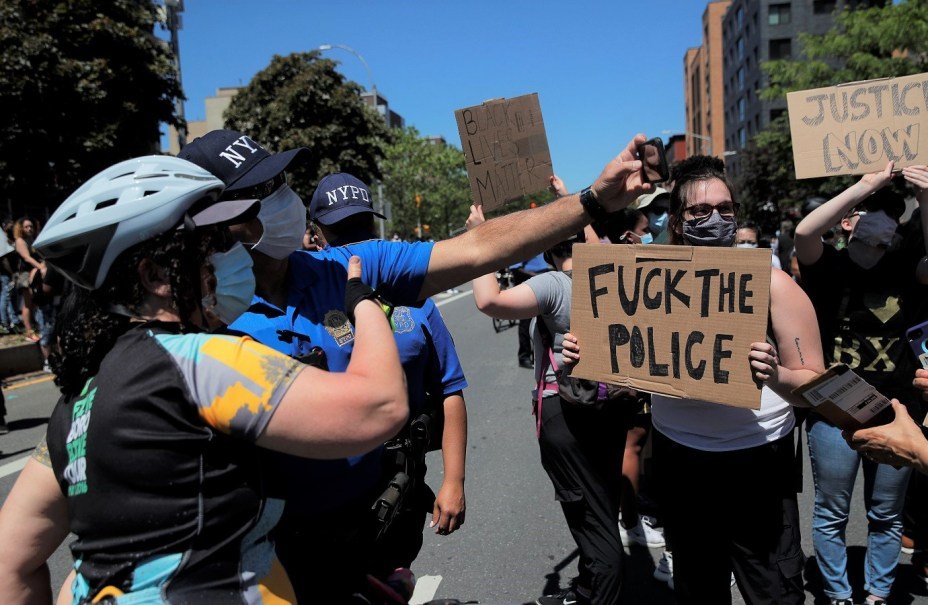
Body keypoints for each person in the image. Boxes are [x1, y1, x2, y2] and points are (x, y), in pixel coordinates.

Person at [177, 128, 653, 601]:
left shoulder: (344, 267)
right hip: (269, 559)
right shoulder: (195, 320)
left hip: (371, 529)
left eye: (279, 182)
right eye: (259, 192)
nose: (282, 199)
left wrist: (591, 201)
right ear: (212, 221)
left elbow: (478, 249)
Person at [0, 156, 409, 604]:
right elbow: (379, 406)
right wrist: (364, 303)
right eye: (210, 247)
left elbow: (11, 563)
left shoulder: (76, 404)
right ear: (154, 275)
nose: (226, 259)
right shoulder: (198, 360)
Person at [567, 155, 825, 604]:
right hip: (681, 460)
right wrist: (587, 353)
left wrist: (777, 374)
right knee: (698, 587)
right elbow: (632, 366)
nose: (716, 219)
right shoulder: (648, 282)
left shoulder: (773, 284)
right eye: (700, 211)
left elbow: (813, 384)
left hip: (757, 461)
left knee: (773, 590)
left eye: (725, 209)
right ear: (679, 221)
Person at [305, 172, 469, 577]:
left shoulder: (417, 303)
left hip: (402, 482)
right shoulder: (312, 307)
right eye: (342, 232)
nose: (357, 245)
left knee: (395, 579)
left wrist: (454, 481)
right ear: (317, 236)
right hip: (332, 490)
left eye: (361, 228)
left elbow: (450, 389)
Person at [466, 206, 628, 605]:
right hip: (611, 408)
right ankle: (589, 586)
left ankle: (602, 593)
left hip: (567, 414)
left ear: (549, 250)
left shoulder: (555, 283)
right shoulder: (612, 278)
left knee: (593, 525)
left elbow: (489, 301)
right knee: (603, 504)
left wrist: (478, 238)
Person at [794, 161, 928, 605]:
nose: (880, 218)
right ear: (847, 222)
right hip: (835, 411)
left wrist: (925, 198)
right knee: (831, 510)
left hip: (897, 413)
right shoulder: (828, 268)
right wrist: (866, 185)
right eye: (869, 211)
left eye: (889, 213)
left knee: (886, 514)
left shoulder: (908, 268)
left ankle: (877, 594)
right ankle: (837, 593)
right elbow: (805, 233)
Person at [12, 217, 44, 342]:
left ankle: (34, 329)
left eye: (31, 226)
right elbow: (27, 258)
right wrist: (41, 266)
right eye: (26, 227)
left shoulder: (30, 239)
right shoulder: (20, 241)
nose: (29, 229)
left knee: (33, 303)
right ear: (21, 228)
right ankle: (29, 333)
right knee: (27, 304)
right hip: (24, 275)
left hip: (33, 273)